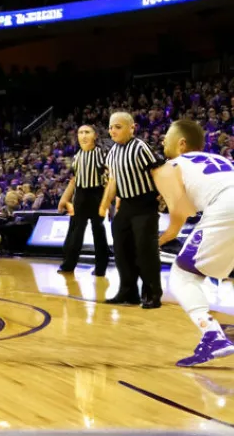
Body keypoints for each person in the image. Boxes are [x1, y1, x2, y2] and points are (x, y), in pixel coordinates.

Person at [151, 119, 234, 366]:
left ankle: (212, 337)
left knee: (182, 276)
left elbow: (179, 214)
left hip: (226, 207)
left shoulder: (171, 166)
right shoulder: (219, 159)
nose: (163, 141)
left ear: (181, 143)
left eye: (167, 137)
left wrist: (163, 238)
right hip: (226, 203)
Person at [99, 111, 163, 308]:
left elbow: (157, 172)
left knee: (145, 251)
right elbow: (113, 181)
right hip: (126, 205)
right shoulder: (112, 152)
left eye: (118, 127)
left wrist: (163, 197)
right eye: (110, 127)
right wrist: (104, 205)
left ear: (132, 128)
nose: (113, 131)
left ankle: (152, 293)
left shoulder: (140, 147)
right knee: (121, 249)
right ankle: (128, 292)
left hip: (145, 204)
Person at [57, 125, 110, 276]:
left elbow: (110, 180)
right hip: (80, 194)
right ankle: (68, 265)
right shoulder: (77, 156)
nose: (84, 135)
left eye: (87, 132)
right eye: (81, 132)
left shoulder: (102, 154)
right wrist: (64, 199)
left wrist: (107, 202)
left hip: (97, 194)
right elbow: (74, 180)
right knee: (75, 230)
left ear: (95, 135)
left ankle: (101, 268)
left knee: (98, 231)